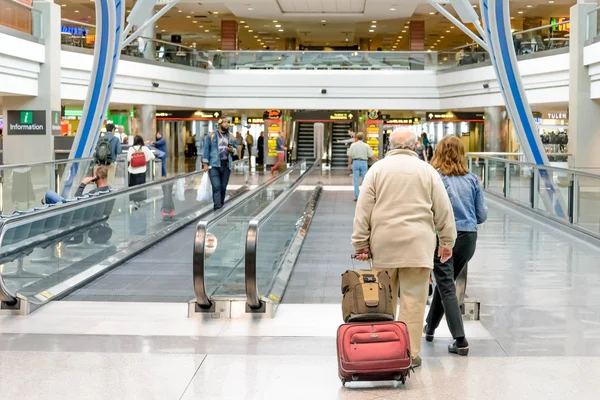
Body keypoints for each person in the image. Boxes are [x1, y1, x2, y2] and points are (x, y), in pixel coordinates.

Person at [352, 128, 456, 368]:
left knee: (383, 302)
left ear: (389, 145)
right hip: (418, 247)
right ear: (415, 145)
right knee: (414, 302)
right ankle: (408, 354)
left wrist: (360, 243)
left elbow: (363, 210)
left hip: (384, 247)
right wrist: (447, 242)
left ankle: (384, 349)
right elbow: (443, 210)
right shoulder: (427, 171)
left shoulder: (376, 170)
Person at [424, 136, 488, 356]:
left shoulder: (434, 177)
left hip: (442, 237)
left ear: (438, 152)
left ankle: (460, 340)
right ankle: (430, 327)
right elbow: (481, 215)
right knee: (446, 283)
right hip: (468, 238)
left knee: (446, 285)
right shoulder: (472, 179)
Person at [202, 118, 237, 210]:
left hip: (226, 165)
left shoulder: (231, 136)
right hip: (214, 165)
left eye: (227, 122)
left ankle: (220, 205)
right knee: (216, 186)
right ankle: (217, 207)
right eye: (224, 122)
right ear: (219, 124)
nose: (227, 124)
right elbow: (206, 149)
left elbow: (236, 150)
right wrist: (205, 163)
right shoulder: (211, 135)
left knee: (223, 187)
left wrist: (233, 150)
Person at [44, 166, 110, 204]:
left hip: (73, 212)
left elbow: (77, 201)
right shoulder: (109, 190)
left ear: (96, 177)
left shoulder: (94, 193)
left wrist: (83, 184)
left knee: (49, 194)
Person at [347, 132, 378, 201]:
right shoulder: (366, 146)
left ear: (357, 138)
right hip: (364, 162)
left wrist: (349, 164)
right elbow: (371, 156)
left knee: (356, 180)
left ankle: (357, 196)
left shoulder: (353, 145)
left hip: (355, 162)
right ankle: (364, 196)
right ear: (363, 138)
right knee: (365, 180)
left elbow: (350, 156)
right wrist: (377, 160)